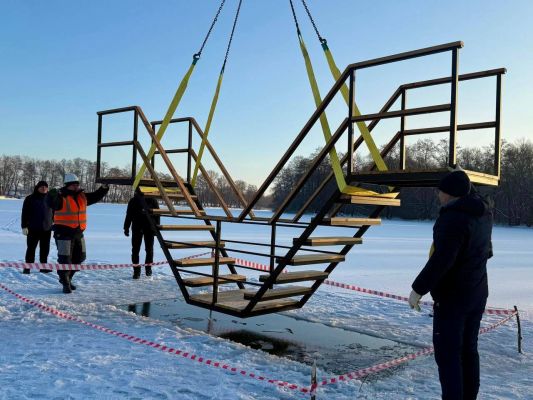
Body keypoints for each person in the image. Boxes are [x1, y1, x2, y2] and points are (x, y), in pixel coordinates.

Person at [408, 170, 493, 400]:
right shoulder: (483, 213)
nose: (438, 195)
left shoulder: (452, 218)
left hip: (453, 299)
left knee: (448, 356)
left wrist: (418, 289)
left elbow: (442, 260)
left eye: (441, 191)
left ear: (451, 194)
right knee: (468, 350)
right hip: (477, 292)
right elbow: (487, 252)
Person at [47, 173, 109, 293]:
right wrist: (51, 195)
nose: (76, 186)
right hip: (63, 233)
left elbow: (95, 196)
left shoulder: (82, 196)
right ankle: (65, 282)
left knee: (80, 257)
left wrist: (104, 188)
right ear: (67, 185)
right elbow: (51, 203)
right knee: (65, 260)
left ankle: (68, 278)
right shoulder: (61, 196)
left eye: (77, 184)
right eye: (73, 185)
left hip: (78, 233)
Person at [123, 187, 159, 279]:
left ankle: (148, 269)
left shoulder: (153, 200)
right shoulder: (133, 200)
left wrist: (156, 228)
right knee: (136, 250)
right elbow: (129, 215)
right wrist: (126, 227)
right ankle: (136, 271)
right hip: (137, 227)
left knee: (149, 250)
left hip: (149, 228)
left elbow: (157, 215)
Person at [21, 180, 53, 274]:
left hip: (46, 228)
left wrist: (54, 222)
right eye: (42, 187)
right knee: (31, 248)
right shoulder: (30, 198)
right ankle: (27, 268)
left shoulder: (50, 198)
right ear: (37, 188)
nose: (44, 188)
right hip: (33, 228)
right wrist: (24, 226)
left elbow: (54, 212)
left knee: (45, 249)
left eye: (46, 187)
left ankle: (43, 267)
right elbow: (24, 213)